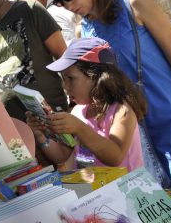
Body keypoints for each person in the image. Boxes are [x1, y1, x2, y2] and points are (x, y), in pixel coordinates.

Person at [46, 0, 171, 182]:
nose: (69, 5)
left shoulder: (135, 2)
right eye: (60, 2)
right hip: (127, 138)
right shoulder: (81, 32)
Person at [26, 38, 146, 172]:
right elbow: (62, 155)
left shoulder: (121, 111)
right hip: (95, 190)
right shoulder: (77, 112)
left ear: (96, 77)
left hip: (126, 189)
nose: (65, 86)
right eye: (63, 79)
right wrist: (40, 135)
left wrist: (80, 128)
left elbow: (115, 156)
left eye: (71, 78)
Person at [10, 0, 80, 44]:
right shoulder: (59, 6)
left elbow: (69, 49)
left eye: (22, 2)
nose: (20, 7)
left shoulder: (51, 16)